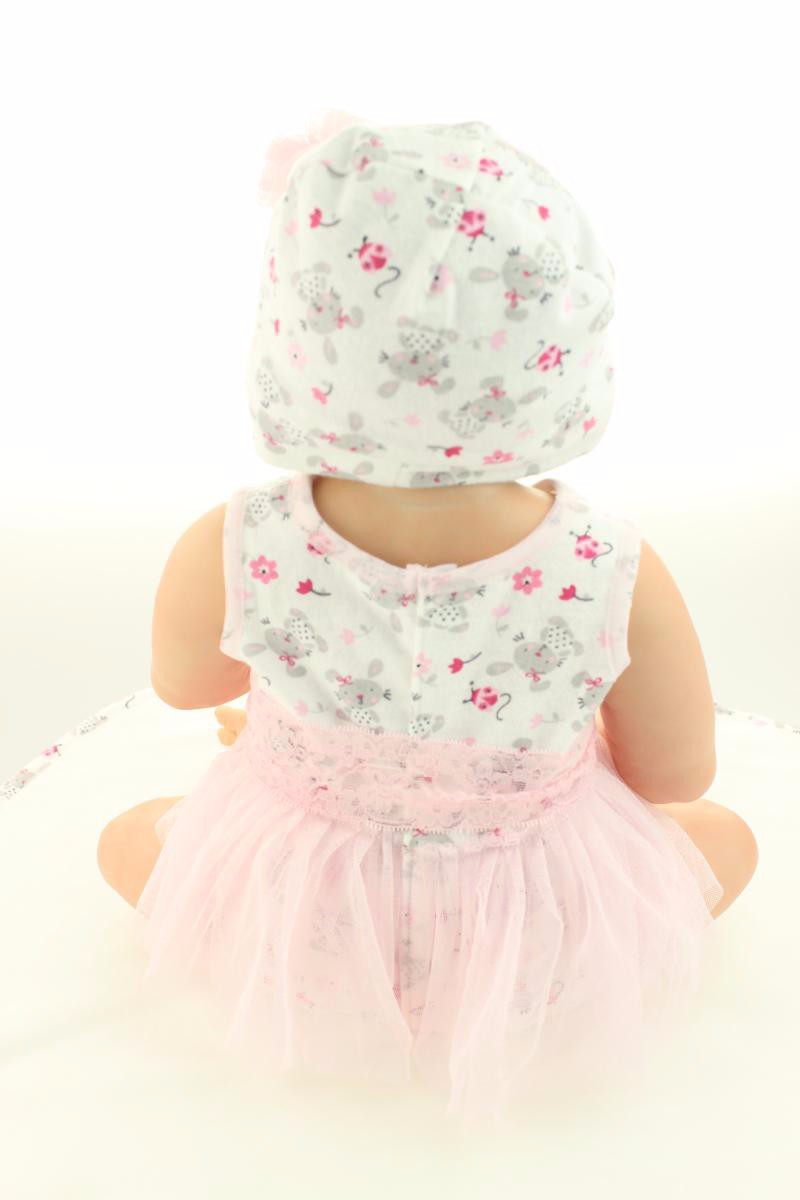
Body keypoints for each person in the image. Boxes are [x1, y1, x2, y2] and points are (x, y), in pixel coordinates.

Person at [96, 111, 758, 1129]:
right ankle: (499, 997)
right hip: (529, 934)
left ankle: (325, 984)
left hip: (304, 919)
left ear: (296, 340)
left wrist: (317, 735)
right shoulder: (610, 566)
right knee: (722, 842)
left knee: (131, 838)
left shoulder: (234, 540)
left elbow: (189, 686)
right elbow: (675, 776)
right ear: (561, 353)